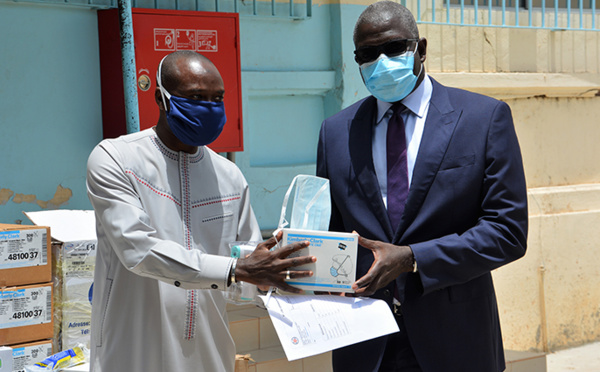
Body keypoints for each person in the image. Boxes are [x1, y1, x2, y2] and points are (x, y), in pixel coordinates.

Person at [316, 2, 528, 371]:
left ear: (421, 49)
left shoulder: (483, 118)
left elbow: (507, 232)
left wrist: (414, 258)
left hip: (455, 339)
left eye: (395, 48)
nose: (382, 61)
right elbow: (330, 231)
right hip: (366, 346)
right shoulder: (336, 131)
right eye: (368, 54)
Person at [86, 51, 315, 372]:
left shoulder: (229, 176)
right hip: (132, 351)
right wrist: (237, 269)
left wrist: (274, 275)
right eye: (195, 97)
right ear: (161, 98)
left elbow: (245, 271)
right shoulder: (116, 160)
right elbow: (139, 251)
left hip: (208, 353)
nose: (208, 107)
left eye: (216, 98)